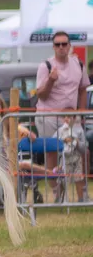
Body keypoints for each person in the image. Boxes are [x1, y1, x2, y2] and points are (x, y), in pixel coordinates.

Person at [34, 31, 89, 178]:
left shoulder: (79, 63)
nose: (61, 47)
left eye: (64, 44)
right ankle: (55, 193)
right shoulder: (45, 66)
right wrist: (51, 81)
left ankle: (81, 194)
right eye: (57, 44)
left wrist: (81, 114)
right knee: (51, 154)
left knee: (80, 151)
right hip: (48, 117)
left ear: (70, 46)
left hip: (70, 119)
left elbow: (83, 89)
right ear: (53, 47)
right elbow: (41, 95)